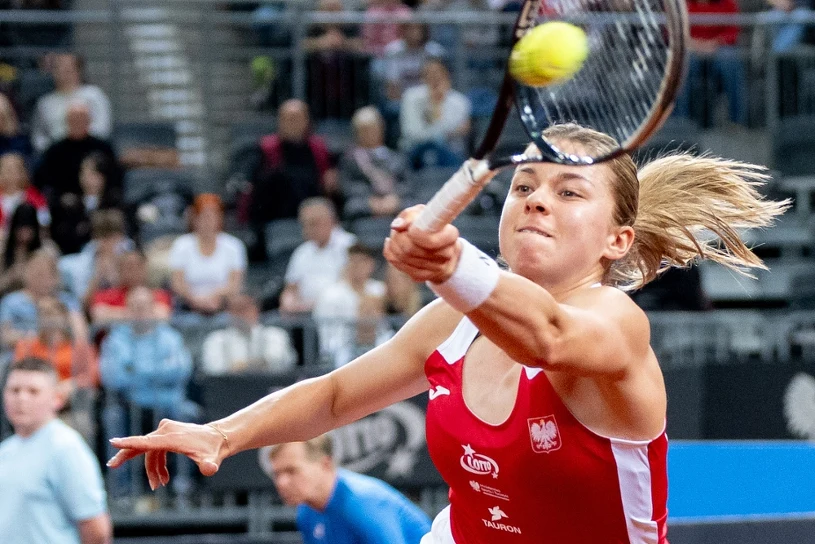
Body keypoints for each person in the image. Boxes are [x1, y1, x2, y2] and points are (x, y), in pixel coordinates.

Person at [107, 123, 787, 542]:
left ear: (618, 239)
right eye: (524, 186)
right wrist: (221, 434)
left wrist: (454, 263)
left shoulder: (615, 325)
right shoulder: (453, 320)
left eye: (568, 192)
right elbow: (339, 396)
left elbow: (544, 338)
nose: (537, 199)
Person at [0, 357, 112, 544]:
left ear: (56, 399)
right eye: (14, 390)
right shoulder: (6, 450)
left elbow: (97, 531)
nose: (21, 398)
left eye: (33, 391)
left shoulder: (66, 448)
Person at [257, 434, 431, 544]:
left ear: (325, 464)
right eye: (277, 474)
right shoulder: (306, 512)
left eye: (291, 471)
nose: (281, 482)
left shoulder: (361, 502)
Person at [169, 193, 247, 317]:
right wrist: (196, 300)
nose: (208, 220)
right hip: (188, 306)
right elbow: (177, 283)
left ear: (220, 218)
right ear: (195, 217)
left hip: (223, 306)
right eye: (204, 216)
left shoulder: (234, 246)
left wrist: (214, 297)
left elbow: (235, 285)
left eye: (213, 215)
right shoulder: (181, 245)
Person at [314, 242, 390, 368]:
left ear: (371, 264)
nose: (358, 266)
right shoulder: (331, 295)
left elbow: (386, 326)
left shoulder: (380, 290)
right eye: (353, 262)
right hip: (342, 353)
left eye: (362, 262)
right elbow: (327, 336)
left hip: (378, 347)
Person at [279, 197, 355, 315]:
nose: (308, 229)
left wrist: (314, 304)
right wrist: (288, 303)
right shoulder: (301, 252)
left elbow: (349, 284)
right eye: (304, 224)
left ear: (331, 221)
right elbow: (291, 288)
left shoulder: (349, 245)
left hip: (340, 313)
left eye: (313, 223)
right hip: (305, 316)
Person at [33, 102, 120, 200]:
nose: (78, 123)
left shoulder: (103, 148)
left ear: (89, 121)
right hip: (64, 203)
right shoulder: (55, 151)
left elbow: (115, 178)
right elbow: (43, 180)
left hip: (102, 200)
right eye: (74, 120)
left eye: (82, 120)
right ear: (67, 122)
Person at [339, 106, 411, 220]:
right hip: (365, 202)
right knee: (352, 207)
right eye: (364, 130)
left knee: (413, 206)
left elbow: (407, 183)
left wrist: (394, 197)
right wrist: (371, 200)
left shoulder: (396, 157)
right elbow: (348, 186)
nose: (368, 134)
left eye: (372, 129)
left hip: (394, 200)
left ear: (381, 129)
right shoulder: (350, 159)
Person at [30, 53, 112, 152]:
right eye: (59, 68)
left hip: (89, 151)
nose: (63, 73)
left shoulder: (94, 94)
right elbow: (38, 135)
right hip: (56, 155)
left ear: (79, 70)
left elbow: (102, 127)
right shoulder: (45, 103)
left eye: (68, 69)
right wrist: (50, 151)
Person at [201, 293, 297, 375]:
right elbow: (214, 369)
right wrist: (256, 364)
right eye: (235, 309)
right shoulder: (216, 339)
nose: (240, 315)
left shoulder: (275, 335)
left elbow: (278, 362)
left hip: (269, 390)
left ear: (256, 310)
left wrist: (240, 366)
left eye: (245, 309)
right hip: (229, 390)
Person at [399, 58, 471, 168]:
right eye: (429, 73)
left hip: (450, 152)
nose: (434, 77)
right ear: (423, 76)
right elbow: (412, 132)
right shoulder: (411, 97)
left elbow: (461, 135)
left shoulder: (459, 101)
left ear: (447, 74)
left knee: (445, 153)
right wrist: (434, 104)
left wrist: (438, 105)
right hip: (416, 151)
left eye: (438, 73)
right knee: (430, 152)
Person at [50, 151, 124, 256]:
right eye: (83, 172)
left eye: (92, 173)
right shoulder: (71, 204)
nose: (86, 177)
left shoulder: (113, 202)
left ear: (102, 176)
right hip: (76, 255)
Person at [90, 249, 172, 326]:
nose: (134, 271)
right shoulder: (106, 295)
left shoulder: (158, 294)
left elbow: (163, 314)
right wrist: (141, 312)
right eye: (129, 267)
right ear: (119, 270)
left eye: (139, 266)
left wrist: (116, 313)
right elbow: (98, 314)